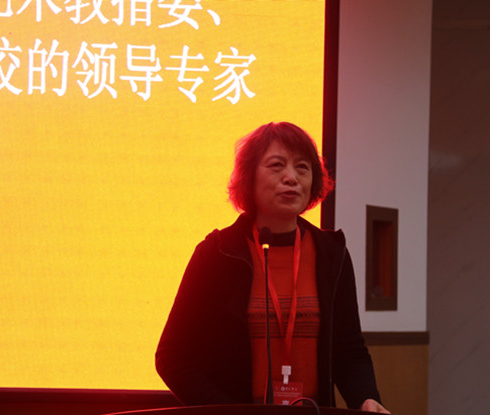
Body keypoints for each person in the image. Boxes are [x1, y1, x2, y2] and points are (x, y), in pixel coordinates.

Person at [155, 122, 389, 413]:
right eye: (276, 165)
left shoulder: (332, 253)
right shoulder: (217, 253)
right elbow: (172, 357)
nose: (291, 177)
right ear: (249, 177)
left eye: (302, 168)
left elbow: (348, 349)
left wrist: (366, 398)